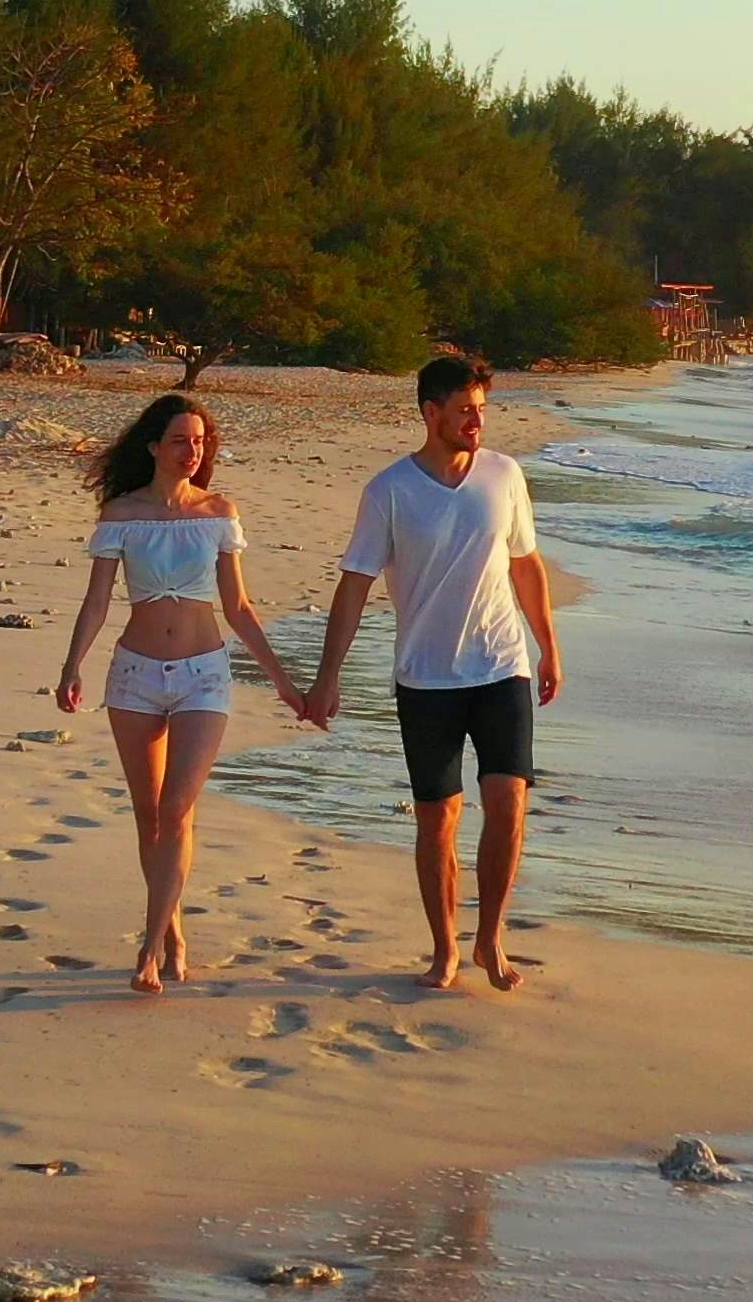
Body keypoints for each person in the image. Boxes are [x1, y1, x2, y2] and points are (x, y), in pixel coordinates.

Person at [306, 354, 562, 991]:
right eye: (464, 410)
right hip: (425, 676)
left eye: (481, 410)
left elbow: (526, 565)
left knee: (508, 802)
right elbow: (355, 585)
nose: (477, 421)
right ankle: (445, 948)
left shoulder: (505, 476)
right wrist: (327, 676)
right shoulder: (390, 491)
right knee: (438, 817)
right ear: (431, 413)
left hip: (502, 666)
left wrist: (548, 646)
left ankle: (490, 940)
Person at [52, 394, 306, 991]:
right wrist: (72, 667)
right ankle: (172, 933)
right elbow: (97, 601)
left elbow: (238, 607)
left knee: (177, 808)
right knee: (150, 817)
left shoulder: (218, 512)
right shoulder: (121, 514)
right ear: (153, 447)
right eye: (179, 441)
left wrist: (283, 681)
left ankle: (147, 944)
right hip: (135, 674)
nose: (192, 452)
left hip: (203, 674)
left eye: (199, 442)